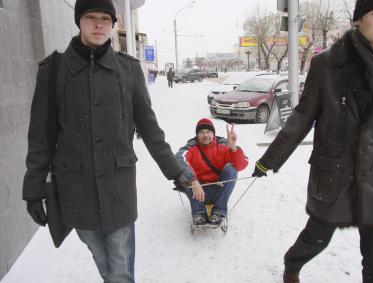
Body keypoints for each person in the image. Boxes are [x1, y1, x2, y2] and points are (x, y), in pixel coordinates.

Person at [22, 0, 190, 282]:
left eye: (105, 18)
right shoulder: (53, 71)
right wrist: (33, 187)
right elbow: (41, 136)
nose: (99, 24)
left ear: (113, 24)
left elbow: (151, 131)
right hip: (76, 190)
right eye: (91, 17)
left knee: (120, 268)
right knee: (103, 261)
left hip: (118, 189)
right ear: (79, 21)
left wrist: (177, 172)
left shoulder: (128, 71)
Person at [252, 0, 373, 282]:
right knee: (317, 238)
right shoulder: (327, 64)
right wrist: (268, 161)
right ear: (359, 19)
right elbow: (302, 116)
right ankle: (292, 263)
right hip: (335, 175)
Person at [176, 118, 248, 225]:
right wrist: (193, 181)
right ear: (197, 135)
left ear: (213, 134)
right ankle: (199, 212)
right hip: (197, 191)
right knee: (182, 173)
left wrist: (233, 148)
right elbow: (178, 159)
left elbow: (243, 164)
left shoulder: (223, 145)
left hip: (219, 191)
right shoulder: (191, 148)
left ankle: (218, 211)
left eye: (208, 132)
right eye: (201, 132)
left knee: (231, 168)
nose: (205, 135)